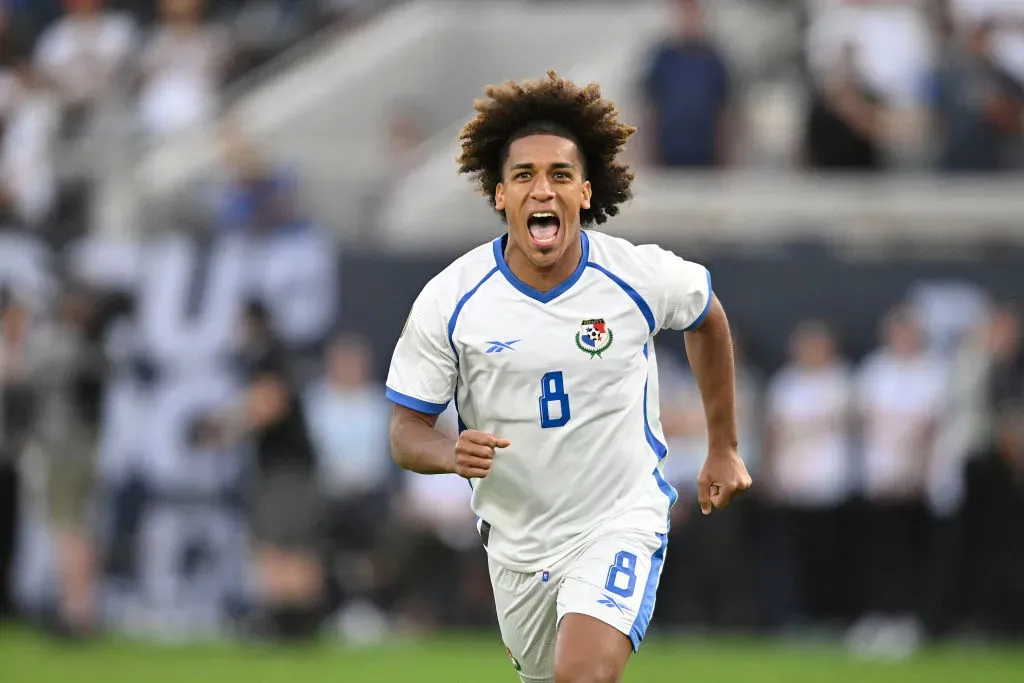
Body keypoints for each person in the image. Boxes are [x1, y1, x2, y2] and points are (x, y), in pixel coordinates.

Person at [384, 70, 750, 683]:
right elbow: (404, 431)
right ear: (499, 195)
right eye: (523, 176)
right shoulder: (451, 300)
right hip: (517, 543)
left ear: (585, 191)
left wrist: (724, 446)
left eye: (559, 175)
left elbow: (706, 316)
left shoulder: (637, 276)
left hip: (618, 519)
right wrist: (450, 451)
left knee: (582, 676)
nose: (542, 190)